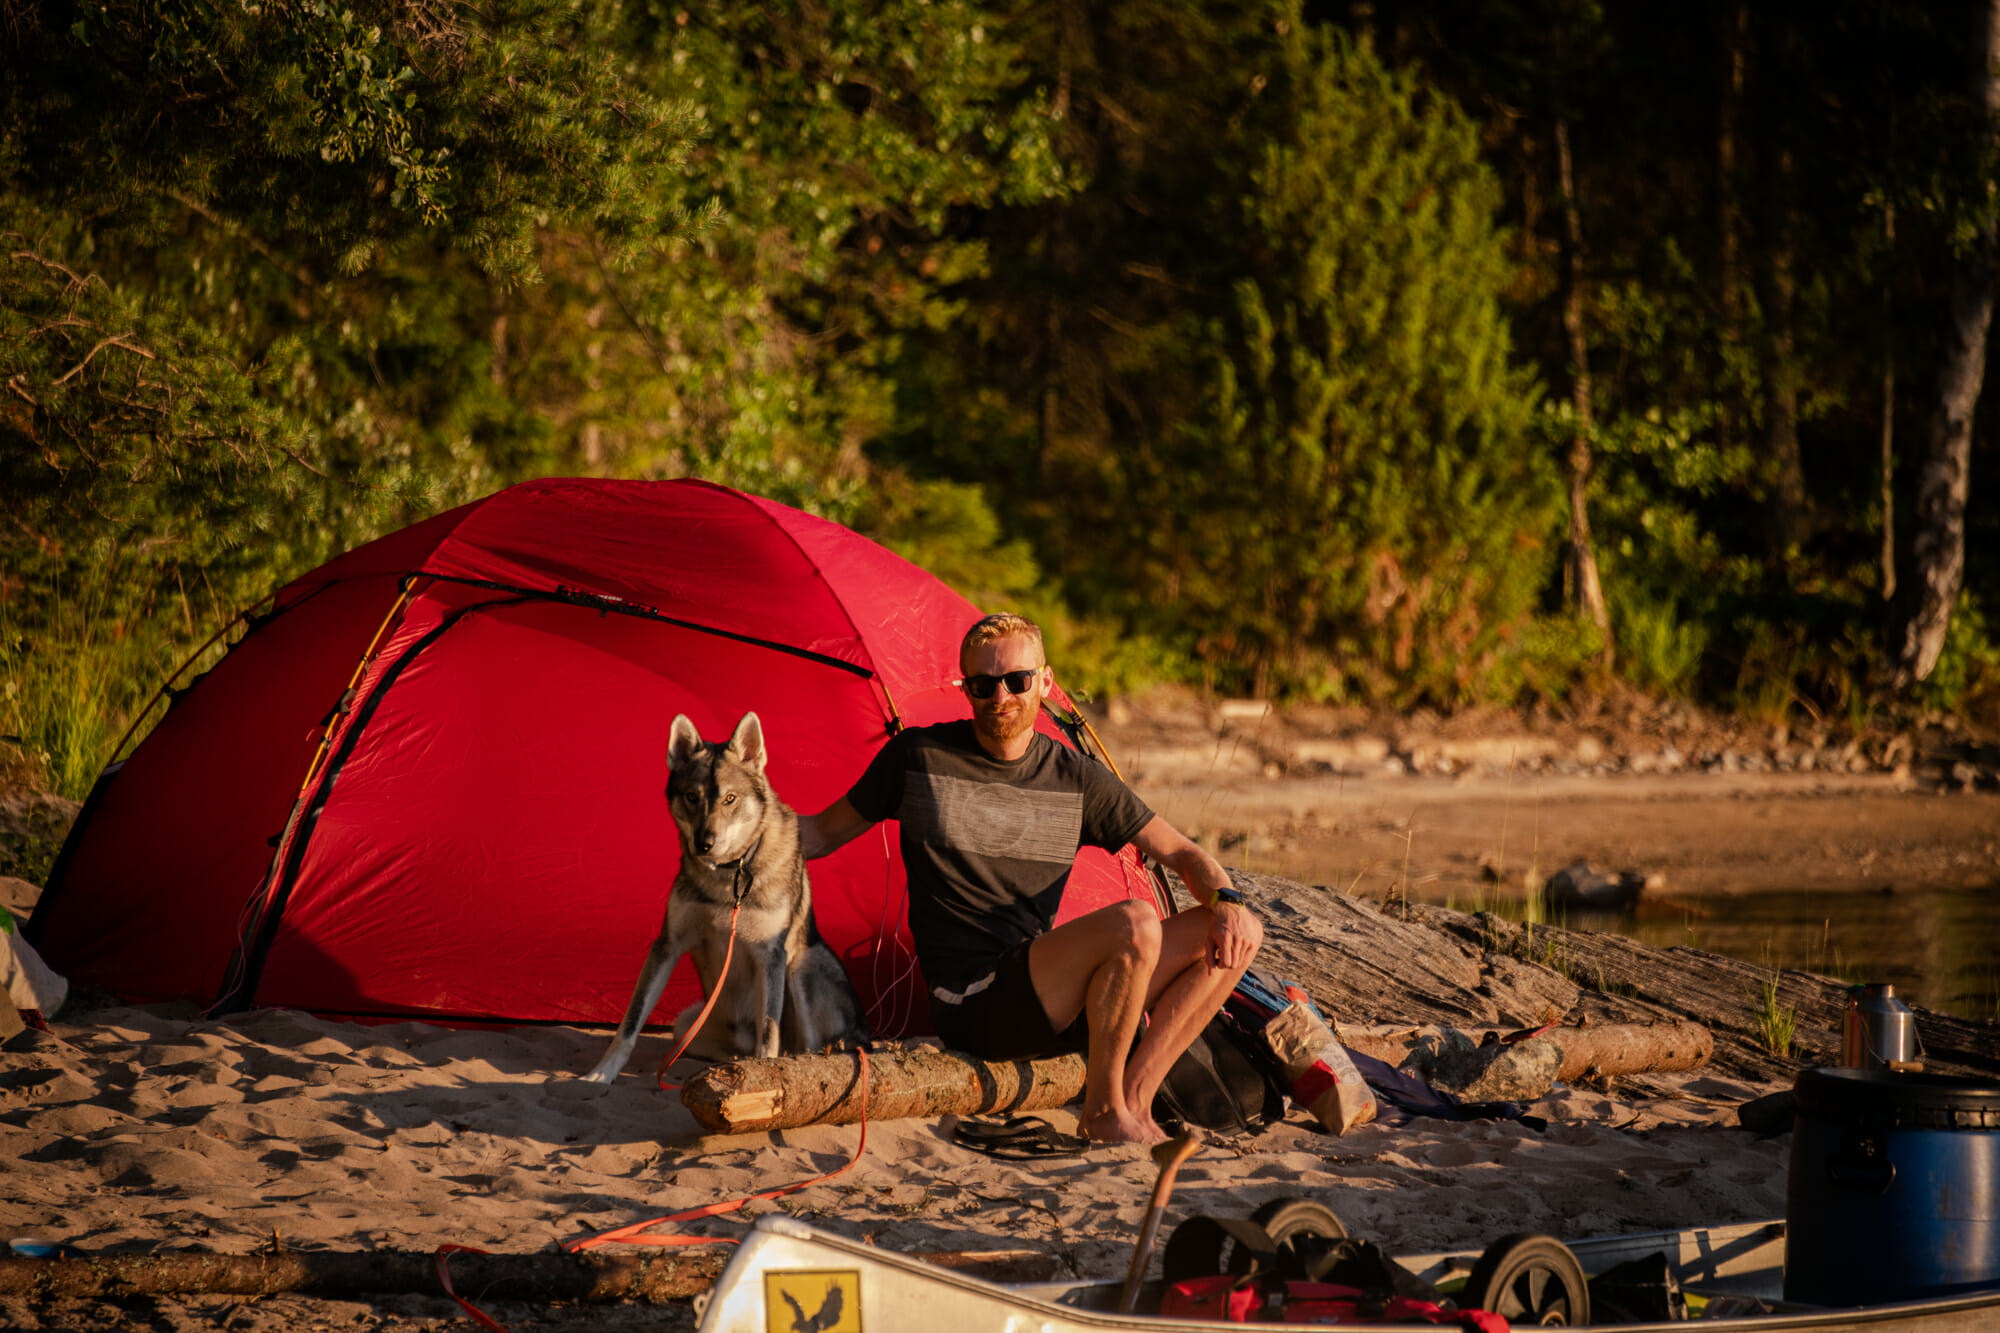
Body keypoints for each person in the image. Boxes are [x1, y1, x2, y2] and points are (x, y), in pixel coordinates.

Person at [799, 612, 1262, 1145]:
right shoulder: (919, 758)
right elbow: (818, 834)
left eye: (1017, 681)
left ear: (1044, 681)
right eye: (983, 685)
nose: (1001, 697)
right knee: (1135, 922)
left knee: (1237, 928)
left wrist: (1227, 899)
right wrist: (729, 820)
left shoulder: (1077, 778)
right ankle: (1104, 1108)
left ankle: (1132, 1100)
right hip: (972, 1003)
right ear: (965, 689)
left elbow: (1180, 850)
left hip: (1050, 994)